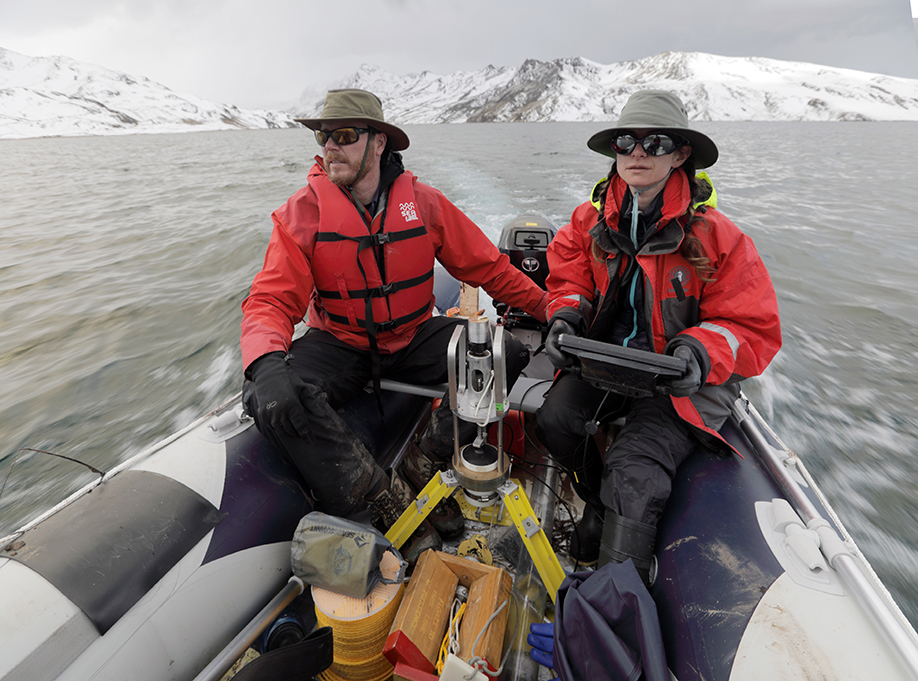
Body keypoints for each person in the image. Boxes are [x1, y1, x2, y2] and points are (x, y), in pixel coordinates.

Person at [240, 89, 548, 561]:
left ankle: (424, 461)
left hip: (411, 336)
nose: (330, 147)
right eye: (325, 136)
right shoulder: (303, 213)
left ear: (379, 143)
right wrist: (263, 361)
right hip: (339, 342)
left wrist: (552, 311)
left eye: (344, 135)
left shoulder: (424, 205)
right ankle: (384, 497)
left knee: (506, 353)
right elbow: (270, 298)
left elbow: (489, 269)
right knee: (275, 396)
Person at [535, 90, 781, 579]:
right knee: (554, 421)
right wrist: (566, 317)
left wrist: (698, 351)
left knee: (635, 471)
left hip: (679, 382)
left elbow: (752, 326)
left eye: (655, 142)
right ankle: (596, 501)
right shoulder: (590, 220)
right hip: (606, 361)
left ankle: (613, 597)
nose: (638, 153)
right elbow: (567, 278)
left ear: (680, 154)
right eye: (626, 142)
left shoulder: (718, 237)